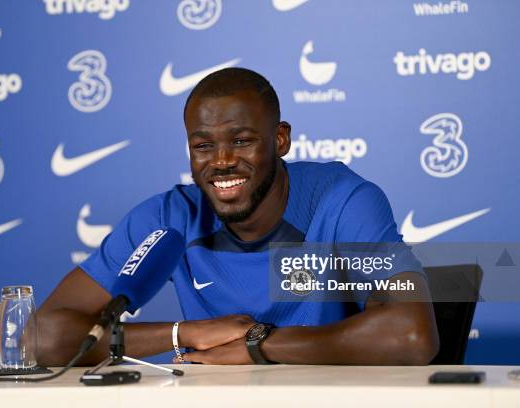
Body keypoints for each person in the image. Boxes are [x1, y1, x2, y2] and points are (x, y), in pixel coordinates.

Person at [37, 68, 439, 366]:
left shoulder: (342, 199)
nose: (223, 162)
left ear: (280, 139)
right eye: (203, 146)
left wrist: (257, 345)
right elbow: (39, 338)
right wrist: (184, 334)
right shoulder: (170, 216)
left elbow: (411, 333)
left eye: (242, 141)